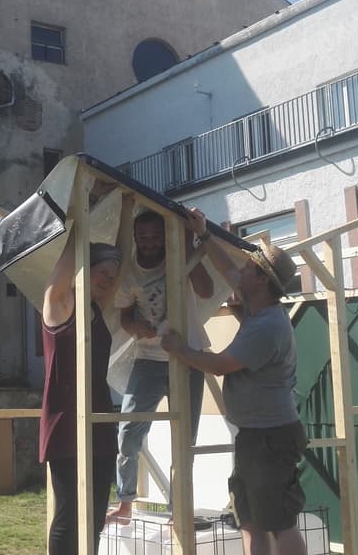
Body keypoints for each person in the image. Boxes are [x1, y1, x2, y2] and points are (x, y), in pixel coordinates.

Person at [160, 208, 307, 555]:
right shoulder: (258, 309)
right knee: (250, 520)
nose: (241, 268)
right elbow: (228, 271)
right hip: (254, 435)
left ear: (261, 281)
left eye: (250, 267)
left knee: (279, 522)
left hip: (269, 438)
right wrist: (204, 235)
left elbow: (219, 365)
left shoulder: (266, 327)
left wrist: (179, 349)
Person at [107, 210, 215, 524]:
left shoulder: (180, 260)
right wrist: (135, 327)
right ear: (136, 238)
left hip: (189, 358)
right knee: (129, 429)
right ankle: (125, 503)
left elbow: (207, 290)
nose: (150, 243)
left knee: (185, 438)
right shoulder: (130, 273)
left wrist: (185, 243)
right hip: (149, 360)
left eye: (156, 237)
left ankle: (178, 509)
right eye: (143, 238)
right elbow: (125, 317)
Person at [40, 240, 122, 555]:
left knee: (96, 516)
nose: (108, 281)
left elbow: (122, 263)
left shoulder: (96, 309)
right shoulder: (60, 304)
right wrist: (79, 214)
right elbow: (56, 281)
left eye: (112, 278)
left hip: (99, 423)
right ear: (85, 268)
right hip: (66, 425)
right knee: (69, 514)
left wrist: (126, 211)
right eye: (102, 273)